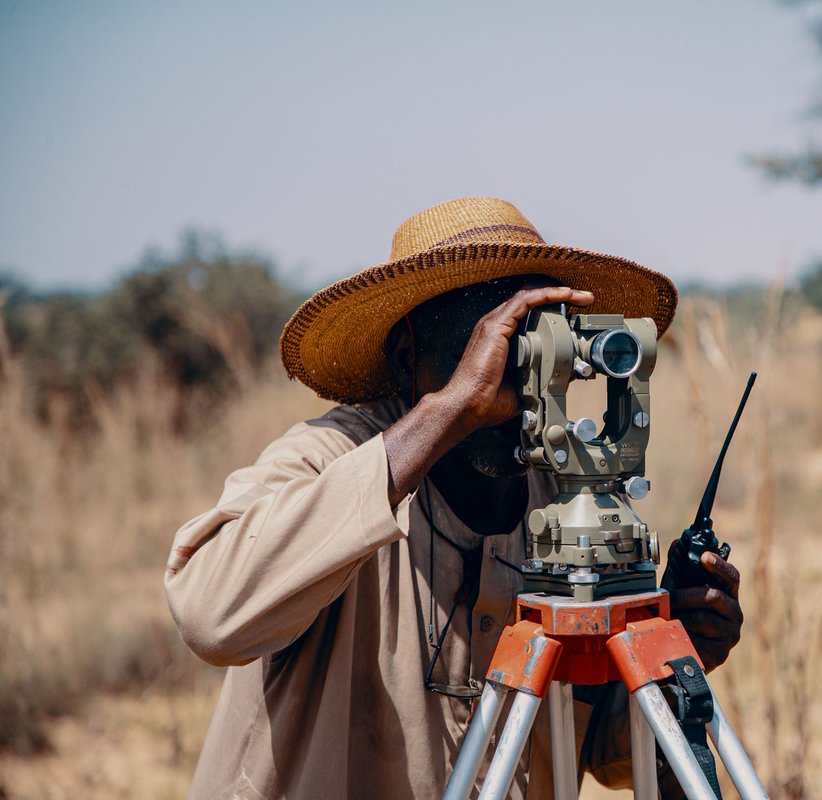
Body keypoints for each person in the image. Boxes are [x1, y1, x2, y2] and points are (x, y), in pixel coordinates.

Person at [164, 197, 744, 799]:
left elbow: (607, 752)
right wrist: (449, 411)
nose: (508, 380)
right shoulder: (332, 457)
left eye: (531, 349)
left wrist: (679, 656)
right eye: (483, 349)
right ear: (407, 358)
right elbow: (211, 616)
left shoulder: (566, 502)